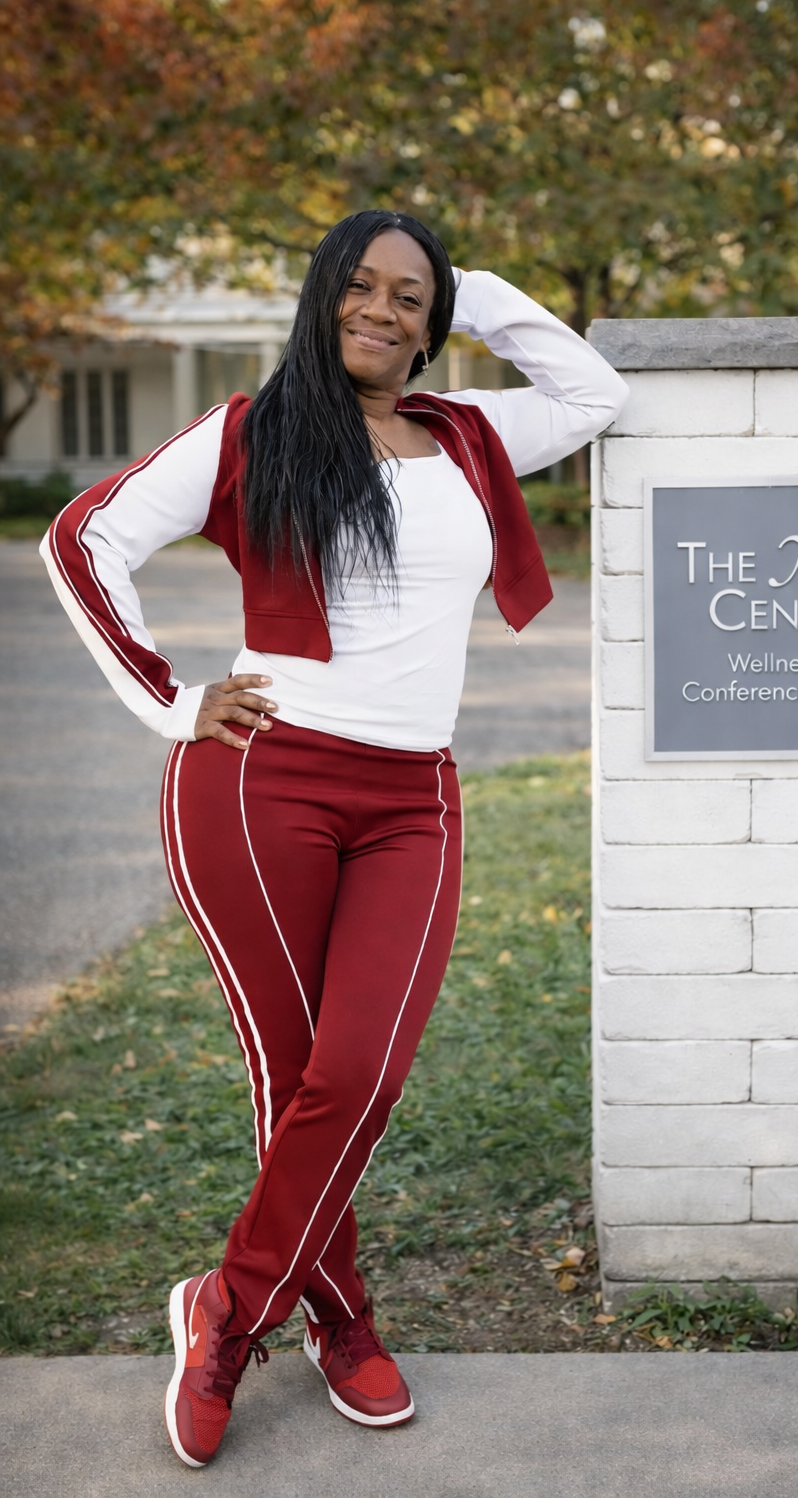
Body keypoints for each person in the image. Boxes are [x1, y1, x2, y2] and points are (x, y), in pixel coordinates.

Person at [41, 210, 628, 1467]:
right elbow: (85, 539)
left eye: (409, 296)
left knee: (358, 1072)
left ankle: (226, 1308)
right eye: (360, 286)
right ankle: (342, 1315)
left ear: (436, 318)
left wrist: (477, 293)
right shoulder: (257, 431)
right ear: (323, 295)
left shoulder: (466, 435)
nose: (381, 310)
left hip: (411, 797)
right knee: (297, 1076)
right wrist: (171, 698)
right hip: (260, 788)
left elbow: (591, 391)